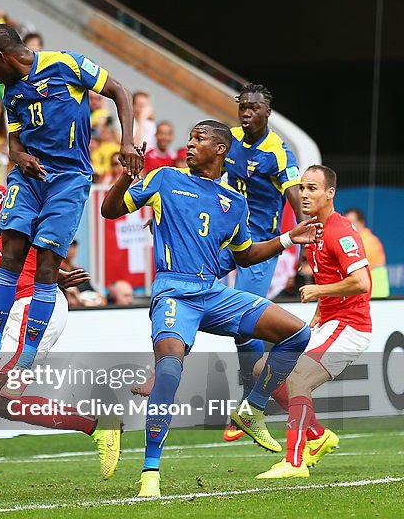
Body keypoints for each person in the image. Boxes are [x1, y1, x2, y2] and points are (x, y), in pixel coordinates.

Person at [101, 120, 320, 497]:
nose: (189, 144)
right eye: (189, 138)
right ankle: (150, 473)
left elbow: (246, 255)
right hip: (174, 292)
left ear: (220, 149)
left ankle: (252, 408)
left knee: (297, 332)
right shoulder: (165, 178)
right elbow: (109, 210)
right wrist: (124, 177)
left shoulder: (234, 203)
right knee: (169, 369)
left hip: (213, 293)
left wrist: (287, 238)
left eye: (198, 139)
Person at [0, 24, 140, 387]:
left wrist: (127, 142)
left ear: (2, 57)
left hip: (69, 178)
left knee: (46, 266)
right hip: (29, 178)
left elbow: (119, 92)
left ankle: (26, 360)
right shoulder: (10, 91)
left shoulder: (66, 64)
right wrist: (21, 157)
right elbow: (13, 145)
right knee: (12, 254)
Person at [0, 153, 120, 494]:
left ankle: (98, 425)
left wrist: (51, 268)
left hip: (34, 306)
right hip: (12, 305)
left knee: (3, 401)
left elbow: (19, 205)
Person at [256, 165, 370, 479]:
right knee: (261, 370)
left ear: (329, 193)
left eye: (312, 188)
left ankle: (294, 463)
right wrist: (321, 308)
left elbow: (361, 282)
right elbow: (332, 275)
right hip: (329, 322)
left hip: (350, 326)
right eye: (302, 188)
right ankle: (317, 436)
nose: (304, 194)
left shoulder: (339, 230)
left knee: (297, 380)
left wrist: (321, 290)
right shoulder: (313, 231)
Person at [222, 84, 304, 441]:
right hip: (225, 234)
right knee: (186, 281)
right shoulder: (229, 139)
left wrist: (305, 237)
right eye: (242, 106)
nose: (246, 112)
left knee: (244, 324)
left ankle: (249, 402)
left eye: (253, 107)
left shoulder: (278, 152)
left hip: (260, 245)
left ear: (267, 112)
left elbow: (295, 196)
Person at [345, 208, 389, 298]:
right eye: (346, 222)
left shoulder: (366, 241)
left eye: (351, 221)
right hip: (371, 292)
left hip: (375, 293)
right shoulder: (361, 239)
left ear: (361, 222)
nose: (348, 225)